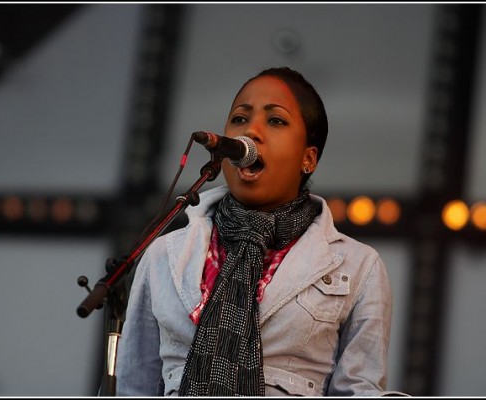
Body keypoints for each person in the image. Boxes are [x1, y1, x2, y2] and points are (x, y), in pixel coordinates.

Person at [115, 66, 404, 396]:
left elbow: (358, 389)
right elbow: (132, 386)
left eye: (276, 120)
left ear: (308, 159)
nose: (250, 132)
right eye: (239, 119)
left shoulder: (357, 266)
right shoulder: (164, 254)